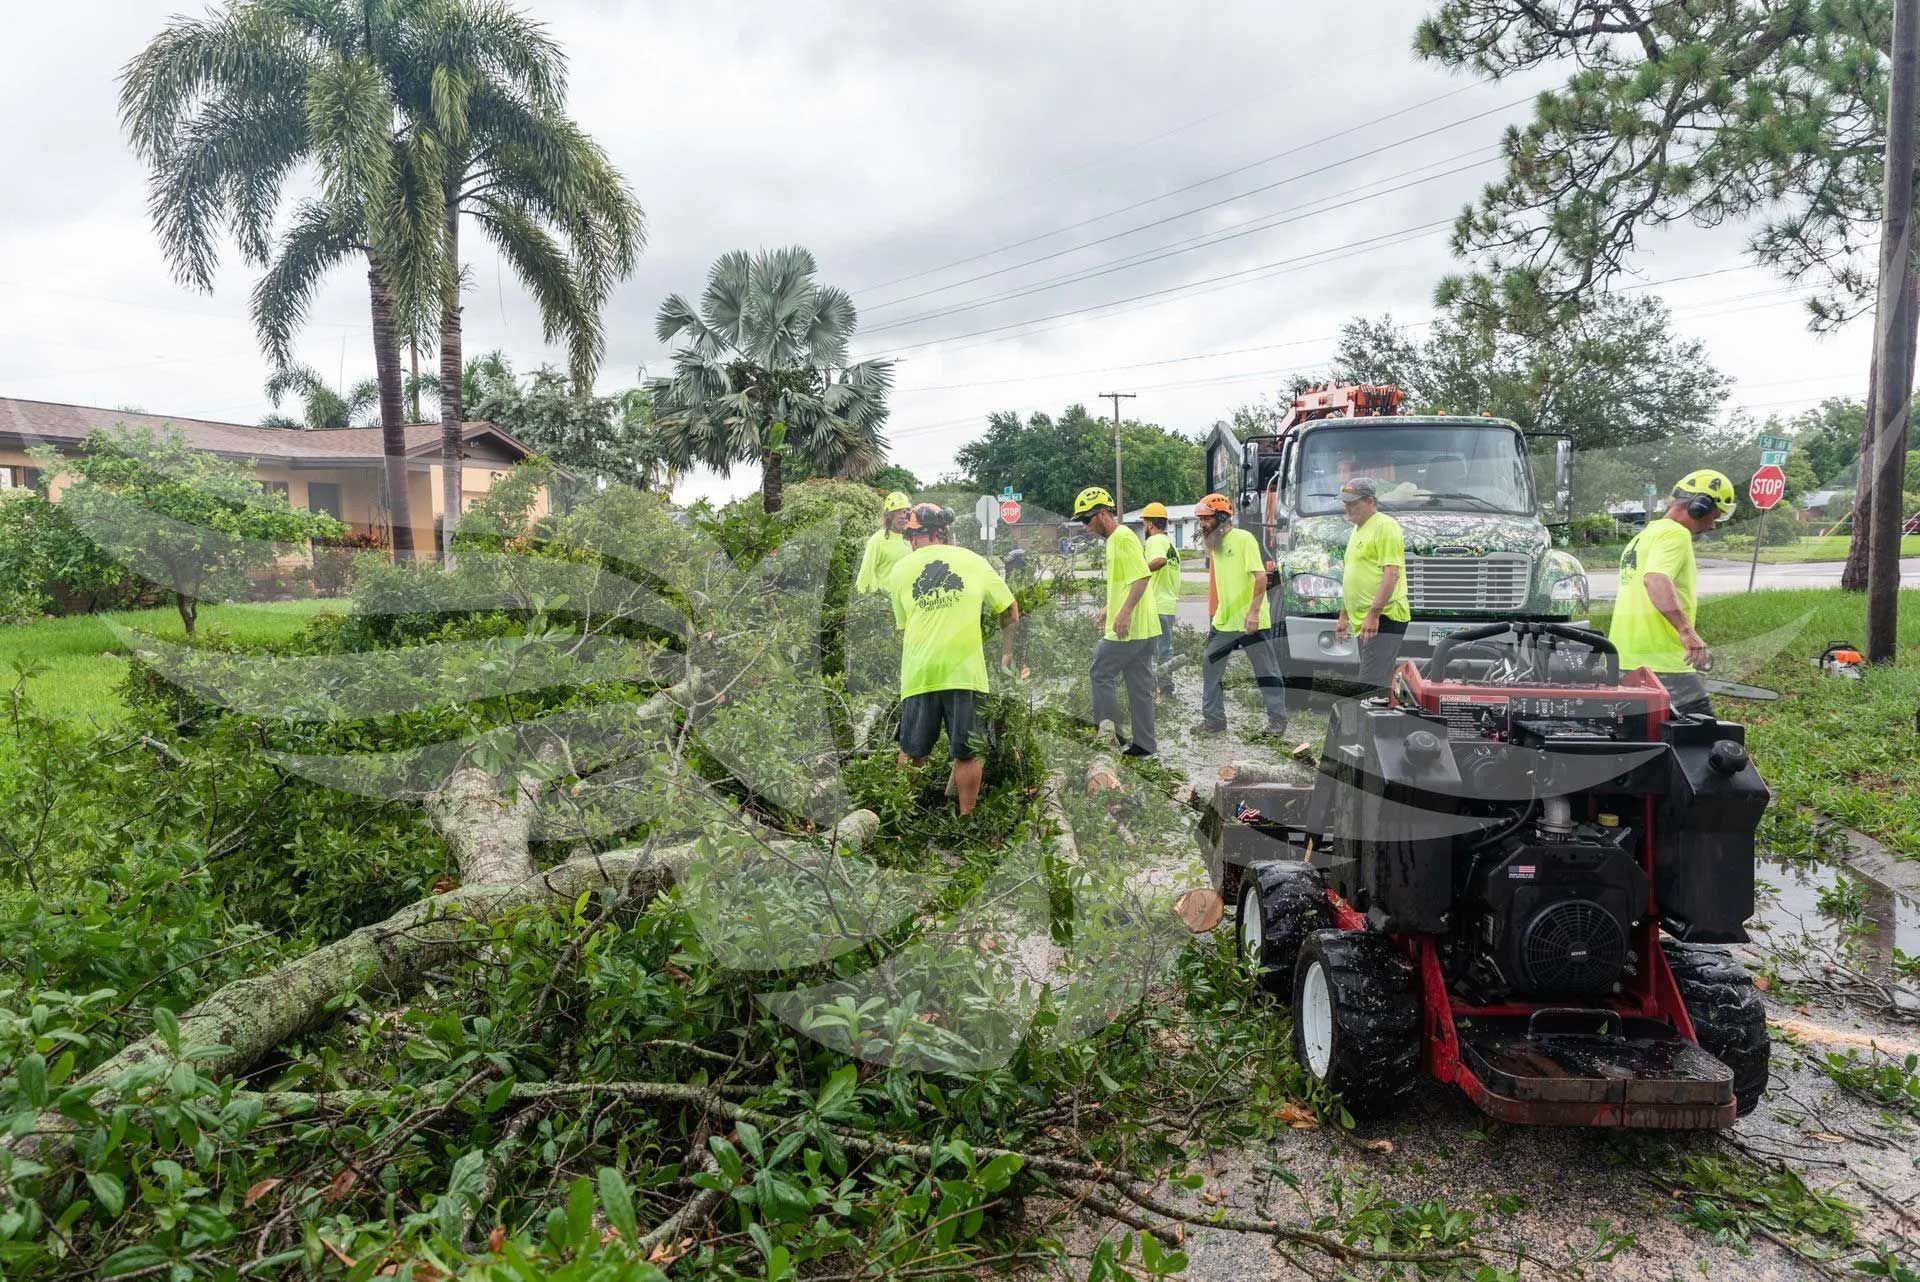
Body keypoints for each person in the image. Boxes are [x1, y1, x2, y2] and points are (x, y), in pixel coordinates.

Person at [886, 504, 1020, 814]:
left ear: (922, 535)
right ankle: (967, 818)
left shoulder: (900, 571)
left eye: (910, 536)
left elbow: (904, 626)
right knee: (967, 754)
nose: (909, 542)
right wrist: (1007, 654)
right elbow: (1010, 610)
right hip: (966, 673)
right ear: (944, 532)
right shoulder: (974, 561)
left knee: (912, 752)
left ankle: (903, 814)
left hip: (920, 674)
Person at [1610, 469, 1737, 718]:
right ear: (1699, 506)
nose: (1712, 524)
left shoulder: (1643, 537)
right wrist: (1686, 632)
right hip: (1662, 663)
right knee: (1702, 738)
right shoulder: (1676, 533)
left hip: (1625, 660)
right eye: (1715, 515)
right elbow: (1655, 579)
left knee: (1645, 739)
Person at [1073, 485, 1160, 757]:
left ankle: (1110, 738)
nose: (1086, 526)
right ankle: (1145, 747)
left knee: (1100, 672)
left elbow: (1142, 576)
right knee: (1139, 687)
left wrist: (1123, 613)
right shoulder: (1115, 540)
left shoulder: (1122, 537)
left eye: (1087, 520)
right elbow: (1127, 579)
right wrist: (1109, 607)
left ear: (1101, 514)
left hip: (1129, 629)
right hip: (1144, 628)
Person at [1193, 492, 1289, 736]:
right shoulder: (1215, 544)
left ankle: (1277, 721)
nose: (1202, 524)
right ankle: (1214, 720)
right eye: (1200, 520)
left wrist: (1254, 613)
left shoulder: (1244, 539)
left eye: (1206, 519)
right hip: (1225, 621)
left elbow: (1260, 579)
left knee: (1266, 669)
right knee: (1210, 665)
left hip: (1250, 620)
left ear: (1221, 517)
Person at [1334, 477, 1412, 694]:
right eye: (1345, 503)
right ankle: (1378, 725)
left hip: (1384, 617)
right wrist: (1343, 615)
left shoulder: (1385, 526)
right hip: (1365, 618)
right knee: (1374, 682)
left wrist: (1374, 614)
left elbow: (1392, 573)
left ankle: (1368, 727)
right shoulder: (1357, 529)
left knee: (1369, 684)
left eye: (1353, 503)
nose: (1347, 508)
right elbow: (1351, 576)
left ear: (1370, 501)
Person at [1140, 502, 1181, 696]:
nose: (1143, 528)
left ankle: (1157, 687)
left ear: (1150, 525)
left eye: (1144, 524)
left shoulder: (1154, 541)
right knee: (1164, 649)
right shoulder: (1170, 544)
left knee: (1149, 650)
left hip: (1156, 604)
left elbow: (1160, 561)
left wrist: (1137, 572)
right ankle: (1165, 687)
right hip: (1168, 605)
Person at [855, 491, 913, 595]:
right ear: (889, 516)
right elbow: (866, 571)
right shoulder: (877, 540)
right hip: (886, 603)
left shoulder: (912, 539)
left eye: (904, 512)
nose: (902, 516)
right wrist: (862, 601)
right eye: (897, 511)